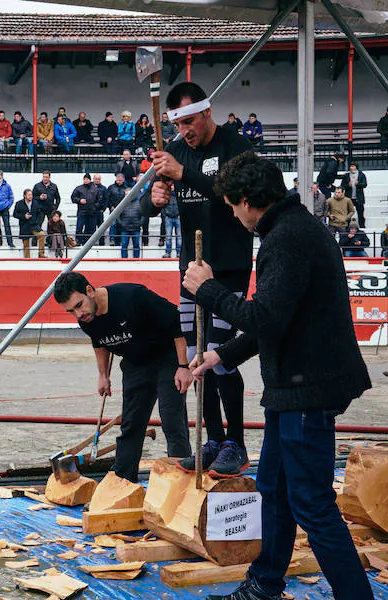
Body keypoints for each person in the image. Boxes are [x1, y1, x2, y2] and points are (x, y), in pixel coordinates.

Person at [184, 151, 372, 600]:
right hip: (292, 388)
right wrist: (220, 355)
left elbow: (265, 319)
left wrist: (207, 291)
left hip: (307, 387)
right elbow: (279, 320)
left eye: (231, 204)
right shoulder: (291, 229)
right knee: (273, 491)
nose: (231, 213)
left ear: (249, 200)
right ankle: (264, 584)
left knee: (312, 504)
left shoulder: (286, 238)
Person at [143, 81, 254, 478]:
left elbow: (236, 194)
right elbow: (148, 205)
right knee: (195, 358)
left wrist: (183, 173)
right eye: (180, 123)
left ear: (208, 112)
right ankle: (213, 440)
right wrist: (154, 199)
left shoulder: (235, 146)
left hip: (228, 265)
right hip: (191, 267)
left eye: (191, 121)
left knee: (221, 356)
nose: (186, 130)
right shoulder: (174, 151)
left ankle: (236, 445)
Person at [54, 273, 192, 483]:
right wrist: (103, 375)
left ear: (90, 290)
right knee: (131, 424)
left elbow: (176, 322)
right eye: (71, 311)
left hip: (167, 358)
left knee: (172, 421)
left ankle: (182, 479)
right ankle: (123, 481)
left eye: (79, 305)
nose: (78, 314)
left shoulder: (133, 296)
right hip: (135, 364)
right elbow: (99, 343)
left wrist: (183, 366)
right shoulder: (87, 318)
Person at [13, 189, 45, 258]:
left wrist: (37, 222)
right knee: (26, 244)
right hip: (24, 226)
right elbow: (15, 214)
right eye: (29, 195)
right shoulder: (19, 203)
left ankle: (41, 254)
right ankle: (27, 258)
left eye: (31, 195)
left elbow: (40, 213)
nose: (31, 196)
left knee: (42, 234)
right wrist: (24, 216)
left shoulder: (35, 203)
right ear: (24, 196)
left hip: (34, 225)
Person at [71, 173, 100, 246]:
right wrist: (79, 200)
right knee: (79, 227)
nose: (85, 181)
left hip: (92, 212)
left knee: (91, 228)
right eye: (84, 179)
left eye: (87, 179)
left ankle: (89, 243)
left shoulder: (95, 189)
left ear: (90, 180)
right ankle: (78, 241)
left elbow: (99, 201)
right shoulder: (79, 188)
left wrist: (94, 207)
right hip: (82, 212)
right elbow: (73, 198)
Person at [340, 162, 367, 227]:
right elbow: (342, 186)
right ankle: (347, 227)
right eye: (350, 166)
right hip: (349, 198)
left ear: (356, 167)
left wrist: (358, 184)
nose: (351, 167)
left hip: (358, 198)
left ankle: (362, 226)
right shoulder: (346, 175)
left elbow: (365, 184)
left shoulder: (361, 175)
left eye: (352, 166)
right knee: (348, 213)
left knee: (360, 213)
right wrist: (348, 185)